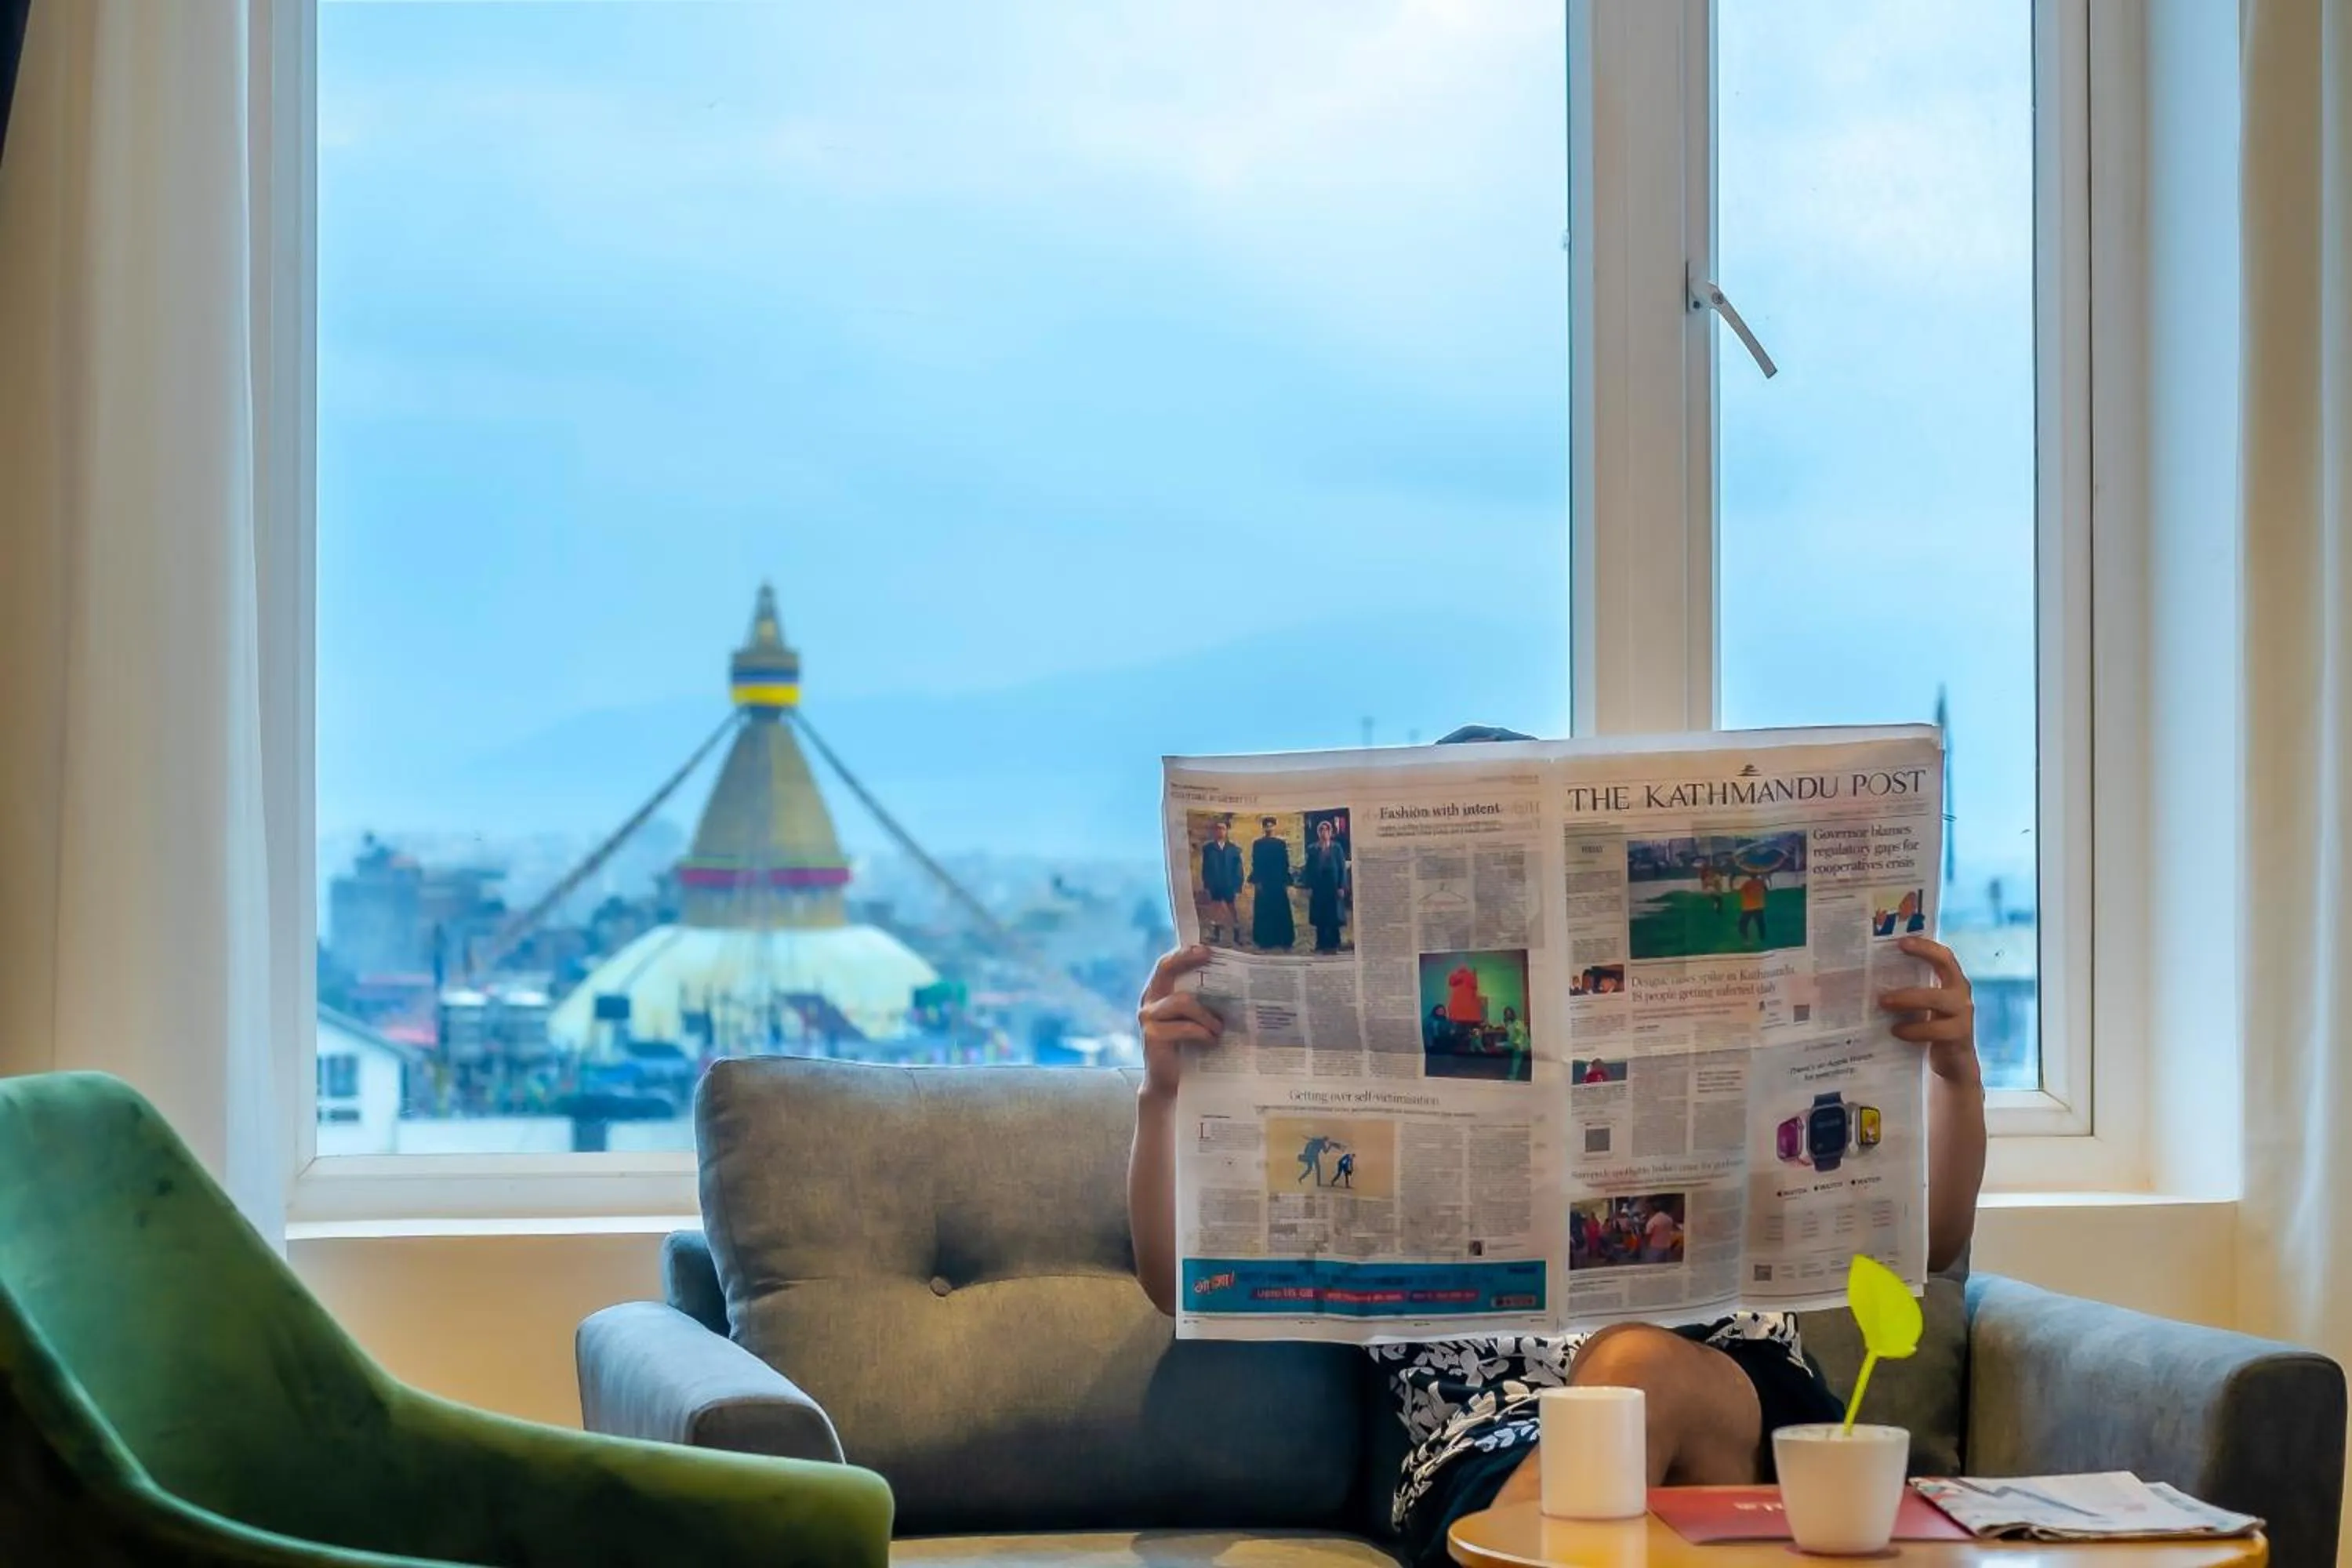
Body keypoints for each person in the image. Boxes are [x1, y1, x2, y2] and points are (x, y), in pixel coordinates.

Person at [1129, 728, 1987, 1568]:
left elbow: (1931, 1244)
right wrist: (1162, 1092)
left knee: (1635, 1367)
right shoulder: (1382, 1072)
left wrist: (1955, 1073)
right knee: (1599, 1425)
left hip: (1733, 1391)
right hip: (1489, 1442)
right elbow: (1183, 1286)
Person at [1303, 816, 1351, 953]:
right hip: (1318, 887)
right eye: (1321, 830)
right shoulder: (1312, 849)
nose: (1324, 832)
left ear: (1330, 832)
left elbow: (1342, 868)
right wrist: (1309, 887)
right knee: (1320, 916)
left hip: (1333, 886)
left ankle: (1335, 943)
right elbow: (1309, 869)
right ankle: (1321, 943)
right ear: (1318, 832)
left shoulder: (1337, 848)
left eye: (1326, 829)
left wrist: (1342, 886)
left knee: (1334, 916)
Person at [1249, 817, 1298, 950]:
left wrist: (1286, 882)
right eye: (1267, 826)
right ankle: (1265, 940)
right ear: (1264, 828)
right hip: (1264, 882)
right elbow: (1256, 863)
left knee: (1280, 909)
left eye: (1271, 826)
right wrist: (1257, 881)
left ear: (1274, 827)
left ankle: (1284, 939)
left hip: (1278, 881)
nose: (1269, 828)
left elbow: (1285, 863)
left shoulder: (1280, 844)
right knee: (1264, 910)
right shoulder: (1257, 844)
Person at [1198, 817, 1244, 945]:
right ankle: (1216, 935)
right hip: (1215, 885)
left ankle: (1237, 936)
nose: (1220, 831)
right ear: (1214, 831)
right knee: (1216, 910)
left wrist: (1238, 885)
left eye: (1223, 829)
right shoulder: (1208, 849)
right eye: (1218, 829)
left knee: (1232, 910)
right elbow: (1206, 868)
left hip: (1229, 884)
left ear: (1227, 831)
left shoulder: (1233, 849)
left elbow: (1239, 869)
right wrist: (1207, 884)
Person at [1737, 869, 1772, 946]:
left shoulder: (1747, 883)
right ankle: (1762, 937)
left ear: (1750, 876)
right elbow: (1766, 890)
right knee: (1761, 923)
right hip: (1759, 906)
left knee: (1743, 924)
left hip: (1748, 907)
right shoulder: (1761, 882)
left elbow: (1741, 891)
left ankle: (1746, 940)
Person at [1641, 1200, 1682, 1265]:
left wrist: (1645, 1246)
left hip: (1655, 1248)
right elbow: (1675, 1228)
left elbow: (1648, 1236)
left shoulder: (1652, 1221)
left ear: (1651, 1209)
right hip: (1667, 1247)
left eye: (1647, 1208)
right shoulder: (1668, 1218)